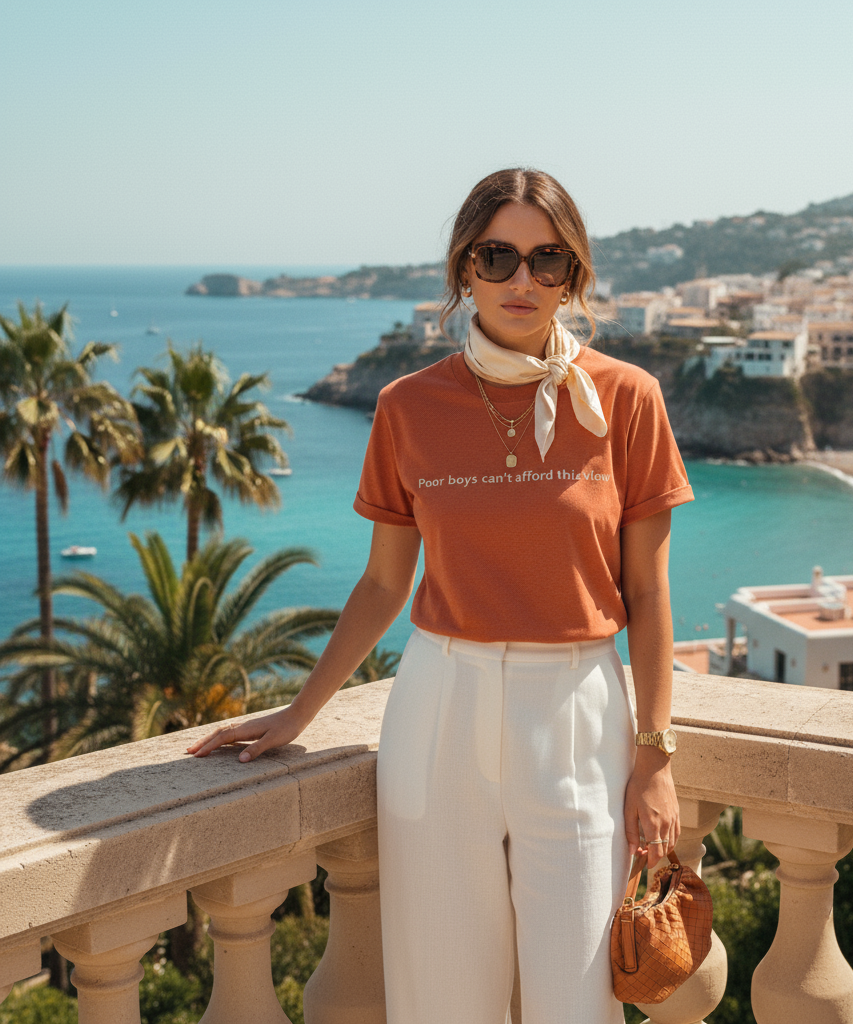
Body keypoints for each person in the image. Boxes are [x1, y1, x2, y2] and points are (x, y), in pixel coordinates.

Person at [187, 167, 693, 1024]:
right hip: (438, 705)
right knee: (440, 996)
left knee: (577, 998)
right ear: (465, 269)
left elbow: (646, 588)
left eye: (549, 260)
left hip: (576, 708)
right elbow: (385, 581)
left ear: (575, 275)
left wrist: (656, 756)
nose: (522, 281)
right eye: (498, 257)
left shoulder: (627, 399)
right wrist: (298, 714)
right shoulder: (406, 406)